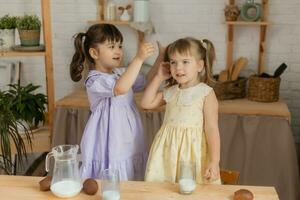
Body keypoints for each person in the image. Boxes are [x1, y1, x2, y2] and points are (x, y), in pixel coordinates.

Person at [70, 23, 163, 180]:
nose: (118, 51)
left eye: (120, 46)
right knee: (114, 169)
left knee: (131, 169)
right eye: (111, 46)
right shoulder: (94, 80)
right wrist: (139, 58)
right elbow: (120, 89)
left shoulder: (121, 73)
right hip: (110, 138)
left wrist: (160, 59)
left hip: (128, 134)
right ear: (94, 52)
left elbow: (146, 80)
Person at [141, 37, 221, 184]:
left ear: (200, 65)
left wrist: (215, 161)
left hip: (192, 153)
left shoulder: (205, 93)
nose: (178, 67)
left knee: (191, 190)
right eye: (173, 62)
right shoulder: (171, 92)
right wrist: (159, 77)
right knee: (163, 191)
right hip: (167, 152)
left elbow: (211, 128)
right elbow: (146, 103)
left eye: (185, 62)